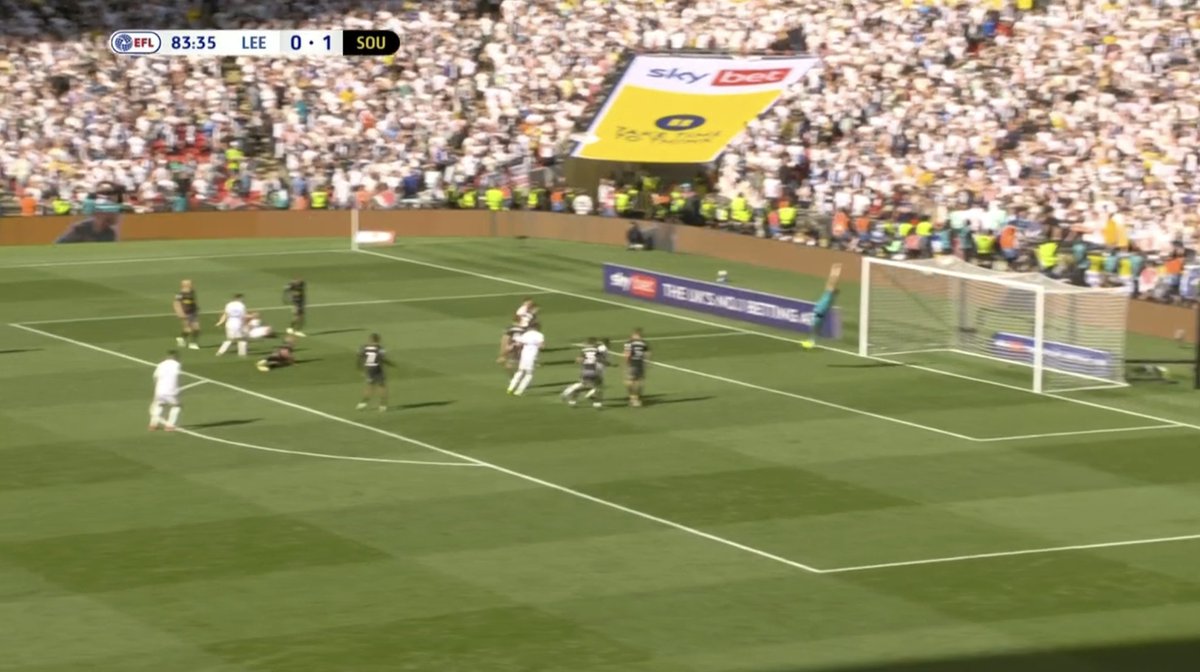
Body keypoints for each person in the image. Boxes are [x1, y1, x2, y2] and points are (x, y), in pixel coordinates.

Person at [801, 263, 842, 350]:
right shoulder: (829, 296)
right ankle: (812, 341)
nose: (828, 286)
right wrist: (834, 270)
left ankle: (812, 342)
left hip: (819, 313)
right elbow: (831, 281)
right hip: (820, 312)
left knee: (815, 328)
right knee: (816, 329)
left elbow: (833, 280)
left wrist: (835, 270)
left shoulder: (829, 295)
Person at [561, 337, 605, 408]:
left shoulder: (584, 350)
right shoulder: (597, 351)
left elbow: (579, 360)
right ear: (595, 343)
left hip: (586, 370)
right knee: (598, 386)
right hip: (594, 370)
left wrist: (580, 362)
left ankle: (572, 401)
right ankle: (597, 403)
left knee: (582, 385)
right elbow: (601, 360)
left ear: (588, 343)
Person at [507, 320, 544, 396]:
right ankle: (519, 391)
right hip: (532, 356)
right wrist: (536, 345)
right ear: (537, 327)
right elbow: (542, 346)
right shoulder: (540, 335)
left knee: (519, 372)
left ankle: (510, 388)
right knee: (529, 374)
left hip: (524, 355)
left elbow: (519, 344)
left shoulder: (526, 334)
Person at [149, 350, 183, 431]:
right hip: (171, 390)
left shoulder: (161, 364)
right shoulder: (176, 364)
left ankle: (153, 424)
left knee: (160, 405)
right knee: (177, 406)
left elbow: (155, 377)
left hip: (159, 390)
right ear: (175, 357)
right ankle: (170, 425)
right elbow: (177, 376)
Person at [356, 333, 389, 411]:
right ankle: (383, 405)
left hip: (369, 369)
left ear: (370, 339)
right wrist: (390, 363)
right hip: (377, 368)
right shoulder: (380, 348)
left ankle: (363, 403)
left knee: (370, 385)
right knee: (382, 385)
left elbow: (359, 357)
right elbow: (382, 358)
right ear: (378, 340)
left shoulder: (364, 347)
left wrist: (359, 368)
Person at [215, 293, 249, 357]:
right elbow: (243, 316)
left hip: (229, 323)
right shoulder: (241, 305)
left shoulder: (229, 305)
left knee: (230, 339)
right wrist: (246, 324)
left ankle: (220, 352)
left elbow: (225, 314)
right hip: (238, 323)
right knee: (242, 339)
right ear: (240, 298)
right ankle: (242, 354)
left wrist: (220, 322)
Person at [624, 328, 651, 407]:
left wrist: (626, 363)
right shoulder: (644, 343)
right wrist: (647, 362)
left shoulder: (629, 343)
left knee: (629, 381)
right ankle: (637, 398)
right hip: (640, 364)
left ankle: (632, 398)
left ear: (635, 335)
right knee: (639, 381)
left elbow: (627, 354)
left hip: (632, 363)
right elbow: (648, 353)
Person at [173, 279, 201, 350]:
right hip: (185, 313)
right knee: (188, 329)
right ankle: (182, 338)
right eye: (189, 284)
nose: (191, 285)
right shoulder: (179, 294)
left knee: (197, 328)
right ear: (184, 285)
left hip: (193, 312)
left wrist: (196, 308)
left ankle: (193, 343)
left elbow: (193, 301)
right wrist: (180, 313)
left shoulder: (192, 292)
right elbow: (176, 303)